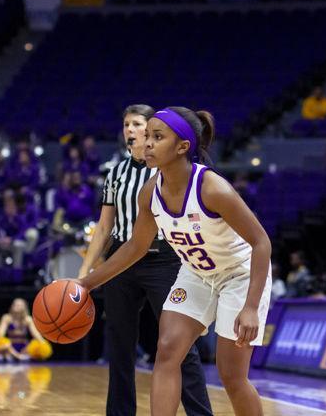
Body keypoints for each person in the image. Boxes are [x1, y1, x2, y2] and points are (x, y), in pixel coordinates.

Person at [76, 106, 272, 415]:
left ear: (182, 147)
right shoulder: (150, 193)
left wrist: (250, 307)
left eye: (157, 136)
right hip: (197, 273)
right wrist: (85, 283)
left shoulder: (212, 188)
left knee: (231, 376)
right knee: (167, 350)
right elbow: (134, 247)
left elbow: (261, 243)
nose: (147, 143)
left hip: (239, 275)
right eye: (147, 136)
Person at [77, 104, 212, 416]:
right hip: (122, 259)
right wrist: (84, 274)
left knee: (179, 344)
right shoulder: (116, 174)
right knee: (120, 346)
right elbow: (104, 227)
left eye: (137, 124)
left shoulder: (165, 168)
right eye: (126, 124)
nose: (129, 130)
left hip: (163, 259)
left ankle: (200, 413)